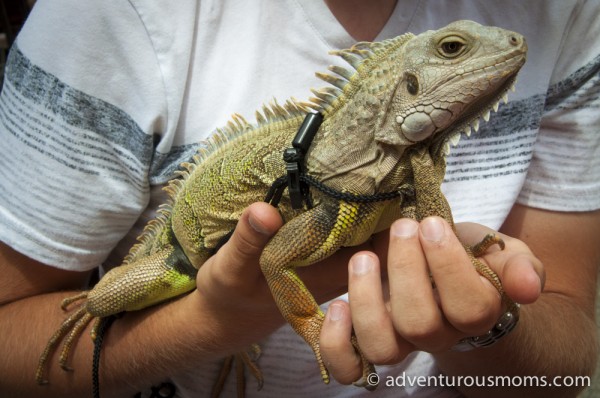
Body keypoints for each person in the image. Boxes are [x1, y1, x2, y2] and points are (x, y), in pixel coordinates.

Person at [0, 0, 598, 397]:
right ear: (411, 84)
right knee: (109, 297)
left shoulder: (567, 15)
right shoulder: (118, 15)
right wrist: (223, 326)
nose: (513, 41)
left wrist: (483, 317)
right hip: (179, 262)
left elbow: (571, 364)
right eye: (451, 52)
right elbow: (278, 259)